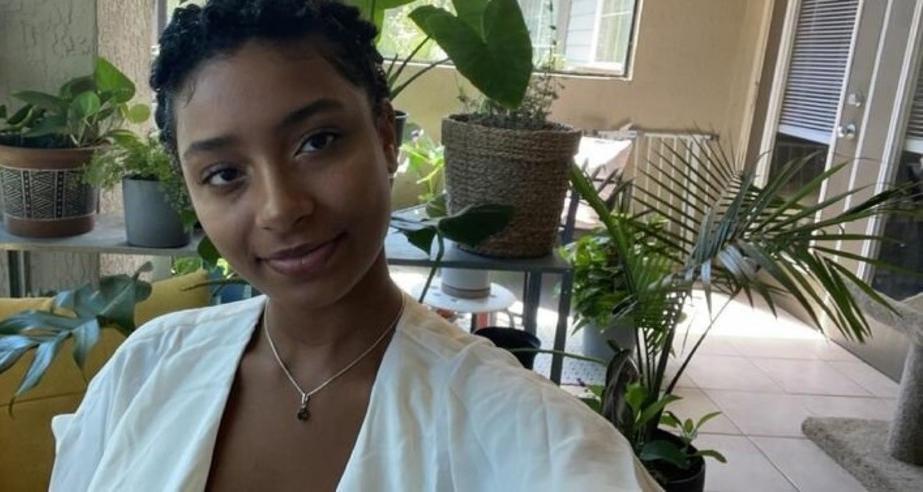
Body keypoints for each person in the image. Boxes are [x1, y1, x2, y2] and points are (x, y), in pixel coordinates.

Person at [50, 1, 660, 490]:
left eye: (316, 142)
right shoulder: (148, 370)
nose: (280, 207)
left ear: (386, 138)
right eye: (224, 173)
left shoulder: (530, 437)